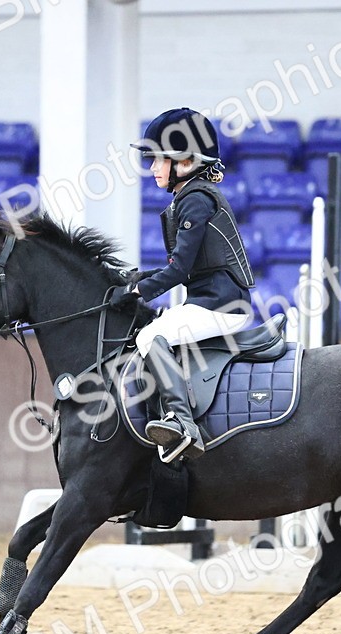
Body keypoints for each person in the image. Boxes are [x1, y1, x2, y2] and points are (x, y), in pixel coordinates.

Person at [108, 107, 255, 461]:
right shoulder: (188, 197)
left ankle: (181, 422)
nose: (152, 168)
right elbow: (183, 268)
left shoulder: (196, 200)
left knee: (149, 336)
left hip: (222, 306)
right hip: (209, 300)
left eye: (158, 160)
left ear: (186, 162)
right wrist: (136, 278)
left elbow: (178, 269)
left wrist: (137, 291)